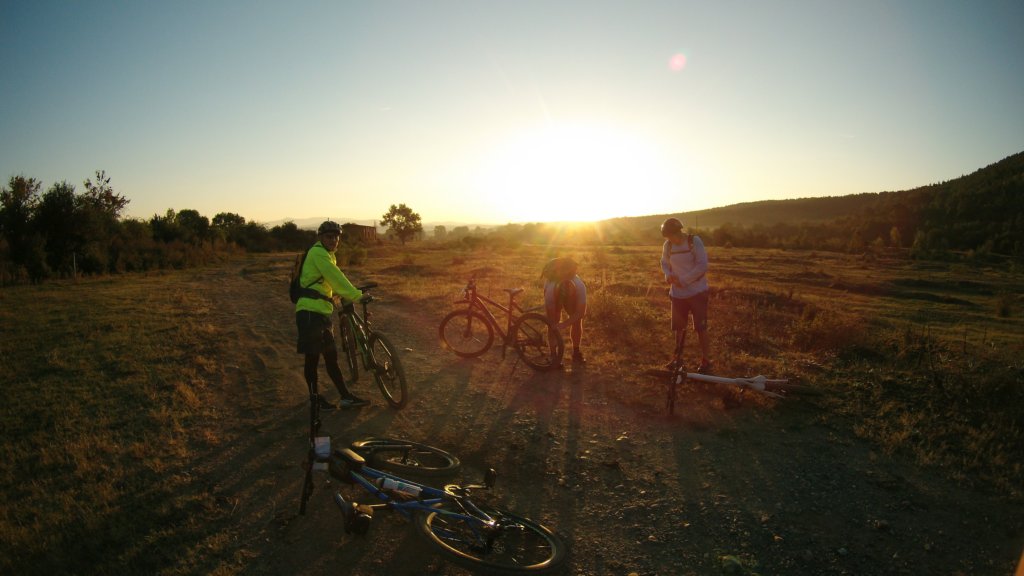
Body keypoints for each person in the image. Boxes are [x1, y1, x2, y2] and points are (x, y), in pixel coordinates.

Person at [295, 220, 369, 410]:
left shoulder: (328, 255)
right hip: (309, 313)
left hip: (320, 313)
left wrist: (340, 297)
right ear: (320, 237)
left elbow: (327, 283)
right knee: (312, 359)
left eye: (337, 237)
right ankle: (316, 399)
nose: (334, 240)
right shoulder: (318, 253)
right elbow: (335, 277)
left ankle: (345, 397)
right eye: (329, 236)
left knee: (331, 357)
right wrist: (356, 296)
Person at [659, 217, 712, 373]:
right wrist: (668, 275)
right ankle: (677, 359)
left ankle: (706, 361)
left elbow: (702, 265)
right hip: (677, 294)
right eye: (667, 237)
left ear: (679, 232)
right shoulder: (668, 245)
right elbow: (664, 263)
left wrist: (684, 280)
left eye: (671, 236)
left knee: (701, 328)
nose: (670, 240)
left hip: (697, 292)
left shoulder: (694, 241)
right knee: (679, 328)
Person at [542, 256, 588, 365]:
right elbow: (552, 321)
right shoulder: (550, 289)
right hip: (554, 296)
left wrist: (564, 324)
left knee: (577, 321)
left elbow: (581, 313)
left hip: (570, 296)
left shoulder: (580, 286)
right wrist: (556, 325)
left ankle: (576, 352)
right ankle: (553, 355)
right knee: (553, 322)